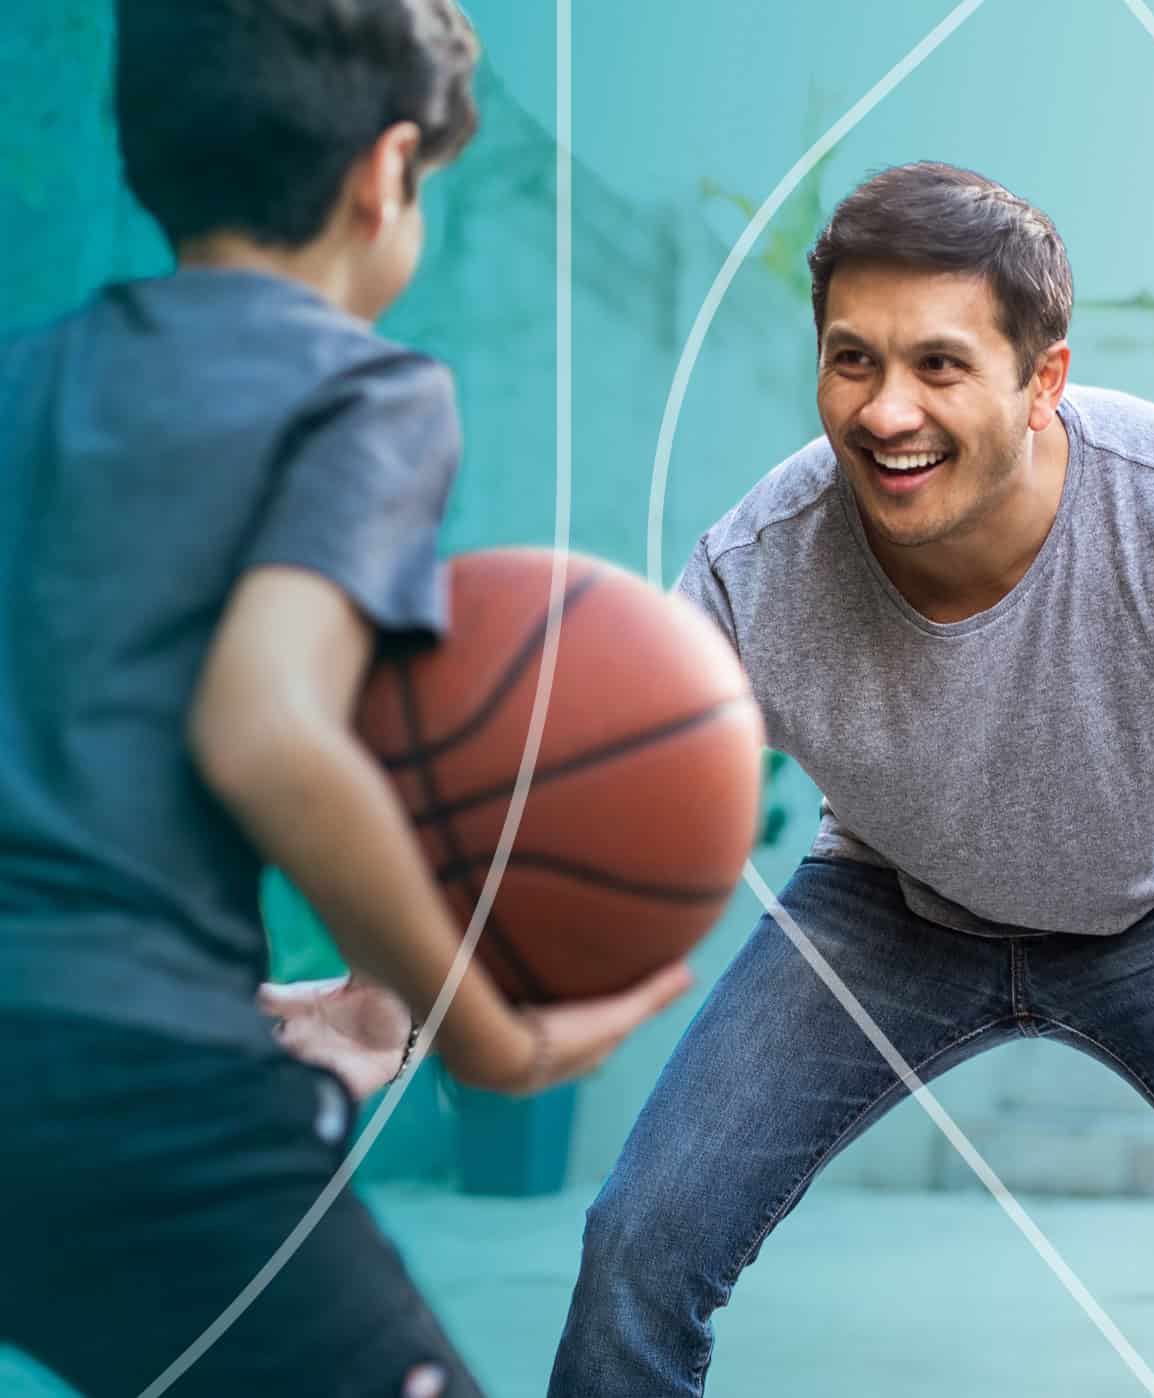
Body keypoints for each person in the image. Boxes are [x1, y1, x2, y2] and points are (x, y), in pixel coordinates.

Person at [548, 162, 1154, 1396]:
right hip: (891, 899)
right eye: (852, 360)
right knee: (639, 1241)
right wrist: (394, 982)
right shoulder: (758, 567)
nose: (886, 410)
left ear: (1041, 380)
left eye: (938, 365)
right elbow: (601, 809)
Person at [0, 3, 689, 1396]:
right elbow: (266, 732)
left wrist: (201, 986)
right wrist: (487, 1035)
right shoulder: (365, 393)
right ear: (385, 177)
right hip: (139, 1099)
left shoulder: (27, 380)